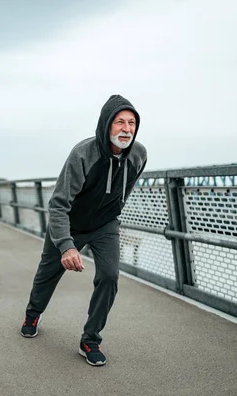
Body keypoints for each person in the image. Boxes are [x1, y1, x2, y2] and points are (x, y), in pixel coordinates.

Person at [20, 94, 147, 366]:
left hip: (105, 225)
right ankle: (33, 313)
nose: (126, 129)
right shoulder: (83, 154)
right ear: (106, 125)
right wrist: (66, 245)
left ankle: (90, 340)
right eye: (120, 122)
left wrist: (110, 217)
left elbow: (123, 192)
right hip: (71, 223)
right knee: (47, 275)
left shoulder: (139, 155)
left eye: (132, 123)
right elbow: (57, 204)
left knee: (110, 276)